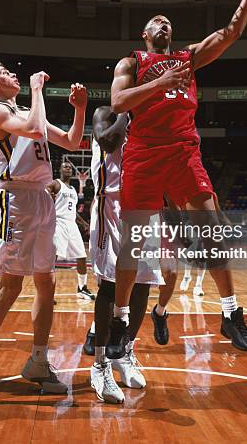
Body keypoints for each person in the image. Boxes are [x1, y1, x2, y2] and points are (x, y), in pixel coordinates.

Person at [107, 0, 247, 358]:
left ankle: (231, 313)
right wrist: (160, 83)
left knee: (214, 231)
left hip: (183, 153)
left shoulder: (188, 58)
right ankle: (117, 319)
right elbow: (117, 103)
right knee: (132, 244)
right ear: (145, 36)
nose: (163, 23)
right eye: (156, 22)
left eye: (168, 21)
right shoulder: (131, 63)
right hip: (144, 155)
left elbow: (230, 32)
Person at [0, 63, 86, 405]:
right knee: (10, 285)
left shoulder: (25, 110)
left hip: (42, 198)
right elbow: (33, 129)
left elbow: (70, 142)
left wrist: (79, 109)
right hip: (17, 200)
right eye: (8, 73)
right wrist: (36, 88)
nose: (14, 76)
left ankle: (39, 361)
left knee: (47, 282)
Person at [86, 106, 164, 404]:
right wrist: (128, 112)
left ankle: (125, 352)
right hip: (113, 205)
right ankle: (100, 365)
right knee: (110, 284)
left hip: (146, 204)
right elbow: (108, 141)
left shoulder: (152, 118)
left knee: (143, 283)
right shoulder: (106, 113)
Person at [47, 162, 95, 300]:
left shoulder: (73, 189)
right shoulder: (56, 183)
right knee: (53, 258)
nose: (68, 168)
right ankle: (47, 292)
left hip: (71, 224)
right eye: (65, 166)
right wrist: (48, 194)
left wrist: (85, 224)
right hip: (58, 223)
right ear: (60, 170)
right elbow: (46, 189)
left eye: (69, 167)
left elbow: (73, 212)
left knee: (81, 256)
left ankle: (82, 288)